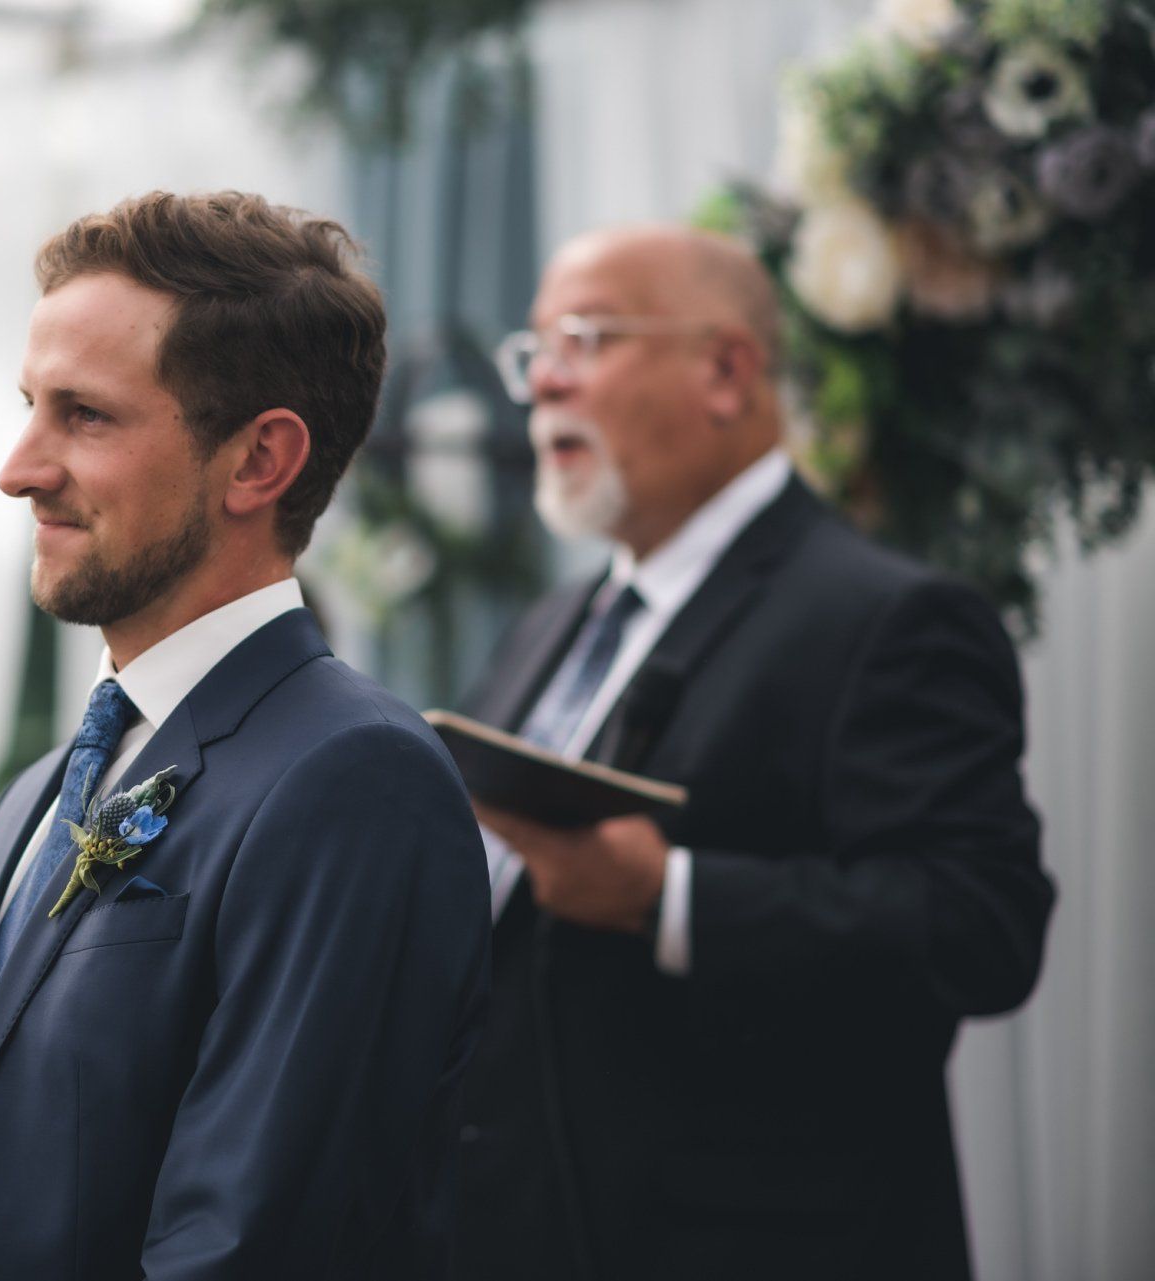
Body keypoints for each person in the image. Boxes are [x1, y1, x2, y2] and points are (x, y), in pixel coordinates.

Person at [0, 191, 491, 1281]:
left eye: (86, 416)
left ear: (258, 462)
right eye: (29, 406)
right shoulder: (40, 793)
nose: (18, 468)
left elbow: (245, 1248)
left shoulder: (352, 779)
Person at [450, 225, 1055, 1281]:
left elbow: (979, 925)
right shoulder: (553, 622)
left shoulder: (888, 618)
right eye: (532, 349)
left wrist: (668, 896)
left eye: (585, 339)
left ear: (726, 371)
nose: (542, 381)